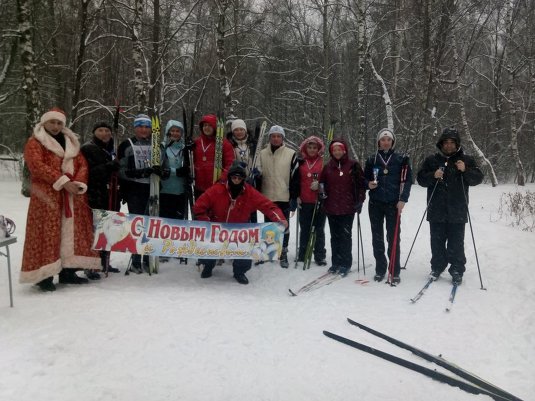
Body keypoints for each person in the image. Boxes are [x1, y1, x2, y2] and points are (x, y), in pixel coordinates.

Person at [20, 108, 100, 292]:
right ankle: (44, 275)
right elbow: (37, 166)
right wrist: (63, 182)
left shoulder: (71, 142)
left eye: (59, 123)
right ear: (44, 123)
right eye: (52, 122)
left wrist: (78, 183)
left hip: (72, 196)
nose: (55, 126)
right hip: (47, 196)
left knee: (70, 234)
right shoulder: (35, 142)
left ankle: (68, 271)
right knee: (47, 234)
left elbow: (82, 164)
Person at [193, 161, 288, 284]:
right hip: (217, 229)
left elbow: (268, 206)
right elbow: (198, 207)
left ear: (243, 179)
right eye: (234, 177)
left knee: (245, 253)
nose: (236, 180)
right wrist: (205, 222)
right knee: (208, 248)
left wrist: (279, 218)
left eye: (239, 178)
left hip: (240, 231)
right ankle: (208, 265)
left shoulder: (250, 192)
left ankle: (239, 272)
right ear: (229, 177)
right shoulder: (217, 189)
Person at [417, 127, 484, 285]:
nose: (448, 145)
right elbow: (420, 179)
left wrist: (465, 170)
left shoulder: (466, 160)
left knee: (456, 242)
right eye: (446, 142)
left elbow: (478, 178)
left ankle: (456, 269)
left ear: (457, 144)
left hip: (457, 210)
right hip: (436, 209)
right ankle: (437, 266)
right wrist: (433, 175)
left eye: (452, 142)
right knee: (437, 241)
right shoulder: (432, 160)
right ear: (441, 144)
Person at [118, 114, 169, 273]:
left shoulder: (158, 146)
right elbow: (121, 171)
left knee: (151, 225)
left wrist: (163, 172)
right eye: (140, 126)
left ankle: (148, 258)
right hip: (135, 190)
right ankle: (135, 260)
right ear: (135, 128)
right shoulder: (127, 145)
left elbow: (165, 167)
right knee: (137, 225)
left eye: (147, 127)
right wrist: (141, 173)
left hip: (154, 189)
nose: (144, 130)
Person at [364, 128, 412, 284]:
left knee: (393, 238)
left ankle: (394, 269)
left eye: (388, 140)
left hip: (393, 203)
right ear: (378, 142)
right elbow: (363, 179)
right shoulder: (372, 159)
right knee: (377, 238)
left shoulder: (401, 159)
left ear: (392, 142)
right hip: (375, 203)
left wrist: (403, 199)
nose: (385, 142)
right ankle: (380, 268)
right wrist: (368, 184)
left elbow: (407, 181)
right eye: (383, 140)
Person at [81, 121, 121, 278]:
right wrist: (108, 167)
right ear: (94, 132)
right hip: (95, 195)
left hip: (111, 194)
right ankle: (91, 265)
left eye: (107, 131)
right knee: (95, 230)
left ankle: (104, 261)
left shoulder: (111, 149)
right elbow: (89, 173)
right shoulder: (88, 149)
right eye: (100, 130)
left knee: (107, 229)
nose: (104, 133)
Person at [320, 139, 366, 277]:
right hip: (332, 207)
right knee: (335, 236)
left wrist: (360, 201)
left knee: (345, 236)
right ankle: (336, 263)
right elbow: (322, 184)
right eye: (335, 150)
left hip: (348, 208)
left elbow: (361, 185)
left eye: (339, 149)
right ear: (331, 152)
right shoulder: (327, 167)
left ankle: (346, 263)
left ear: (344, 150)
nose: (337, 152)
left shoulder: (353, 165)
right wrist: (321, 195)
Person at [257, 125, 299, 268]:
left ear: (282, 138)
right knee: (268, 226)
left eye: (278, 136)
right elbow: (257, 174)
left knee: (283, 225)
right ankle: (269, 252)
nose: (276, 138)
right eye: (273, 136)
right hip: (266, 196)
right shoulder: (261, 153)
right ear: (269, 138)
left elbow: (295, 178)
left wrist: (293, 197)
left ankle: (283, 252)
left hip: (283, 196)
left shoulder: (290, 154)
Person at [296, 135, 327, 266]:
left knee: (319, 229)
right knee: (305, 228)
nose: (312, 150)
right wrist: (296, 195)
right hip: (304, 200)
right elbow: (295, 180)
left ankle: (320, 255)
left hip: (319, 201)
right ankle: (302, 253)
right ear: (305, 148)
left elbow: (328, 181)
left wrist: (319, 185)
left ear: (318, 149)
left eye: (315, 147)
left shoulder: (323, 162)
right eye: (310, 147)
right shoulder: (301, 162)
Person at [192, 114, 235, 199]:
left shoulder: (224, 144)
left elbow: (230, 163)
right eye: (205, 125)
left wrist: (223, 178)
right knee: (200, 211)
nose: (206, 128)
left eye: (209, 125)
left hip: (216, 186)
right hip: (199, 187)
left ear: (215, 127)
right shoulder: (196, 142)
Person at [160, 119, 188, 220]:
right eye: (173, 131)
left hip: (180, 192)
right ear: (168, 131)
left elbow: (189, 168)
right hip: (164, 191)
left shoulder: (185, 148)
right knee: (164, 221)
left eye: (178, 131)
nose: (175, 133)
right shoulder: (162, 147)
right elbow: (159, 167)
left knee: (177, 224)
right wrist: (175, 171)